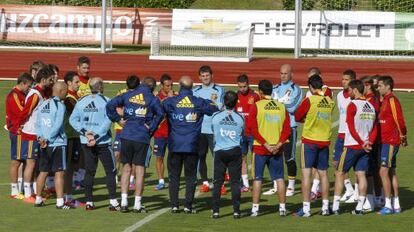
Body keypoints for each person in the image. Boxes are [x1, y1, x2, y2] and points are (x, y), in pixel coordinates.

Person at [106, 76, 164, 213]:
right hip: (142, 137)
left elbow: (109, 105)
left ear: (141, 84)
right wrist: (151, 127)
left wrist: (118, 120)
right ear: (153, 88)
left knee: (126, 168)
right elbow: (161, 114)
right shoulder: (153, 99)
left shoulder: (128, 94)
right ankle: (137, 204)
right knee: (140, 170)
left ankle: (124, 202)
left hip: (126, 135)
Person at [163, 76, 219, 214]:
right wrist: (209, 101)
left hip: (175, 145)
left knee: (174, 176)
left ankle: (175, 205)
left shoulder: (171, 102)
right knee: (190, 176)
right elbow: (214, 108)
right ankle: (188, 205)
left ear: (179, 86)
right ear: (192, 86)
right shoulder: (198, 102)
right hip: (192, 145)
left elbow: (159, 108)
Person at [69, 77, 120, 211]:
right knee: (110, 171)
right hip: (102, 142)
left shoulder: (81, 101)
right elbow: (108, 121)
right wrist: (95, 137)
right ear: (101, 86)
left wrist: (86, 133)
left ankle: (89, 202)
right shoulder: (107, 101)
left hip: (86, 142)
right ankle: (113, 202)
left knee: (90, 171)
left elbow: (73, 120)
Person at [331, 79, 377, 215]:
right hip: (365, 148)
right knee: (361, 174)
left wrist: (361, 141)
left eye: (350, 90)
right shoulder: (370, 106)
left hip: (352, 146)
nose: (348, 92)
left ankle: (335, 207)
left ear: (355, 90)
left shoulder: (352, 105)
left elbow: (350, 128)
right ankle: (359, 208)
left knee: (339, 173)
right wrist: (369, 142)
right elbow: (374, 129)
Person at [248, 80, 291, 217]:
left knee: (258, 178)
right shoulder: (281, 107)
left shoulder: (256, 106)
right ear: (272, 91)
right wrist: (278, 144)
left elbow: (252, 129)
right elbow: (287, 129)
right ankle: (282, 208)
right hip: (277, 150)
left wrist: (265, 144)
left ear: (260, 92)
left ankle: (255, 209)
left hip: (260, 148)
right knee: (279, 178)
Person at [294, 75, 335, 217]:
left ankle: (306, 209)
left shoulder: (310, 100)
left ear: (311, 87)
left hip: (310, 141)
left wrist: (308, 118)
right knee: (323, 174)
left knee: (306, 175)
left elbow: (297, 116)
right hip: (324, 141)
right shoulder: (330, 101)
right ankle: (325, 207)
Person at [264, 64, 302, 197]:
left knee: (289, 157)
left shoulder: (296, 89)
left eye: (285, 73)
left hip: (289, 128)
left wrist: (277, 103)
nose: (283, 76)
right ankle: (276, 185)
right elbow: (267, 105)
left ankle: (291, 187)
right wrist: (282, 103)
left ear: (291, 74)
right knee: (273, 156)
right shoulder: (274, 88)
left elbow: (292, 108)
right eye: (281, 73)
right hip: (274, 128)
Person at [19, 66, 55, 202]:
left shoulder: (42, 92)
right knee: (31, 163)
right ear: (44, 79)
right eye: (51, 79)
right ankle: (28, 194)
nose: (52, 82)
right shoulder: (35, 94)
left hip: (38, 133)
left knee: (37, 163)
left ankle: (35, 191)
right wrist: (20, 126)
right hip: (30, 133)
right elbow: (26, 112)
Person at [34, 82, 71, 209]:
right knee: (59, 172)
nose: (67, 93)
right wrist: (49, 138)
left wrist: (40, 138)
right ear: (60, 91)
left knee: (43, 171)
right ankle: (60, 202)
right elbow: (58, 125)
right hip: (57, 143)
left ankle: (38, 199)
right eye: (66, 91)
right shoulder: (60, 106)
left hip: (44, 144)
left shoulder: (43, 104)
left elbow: (37, 125)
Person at [211, 91, 245, 219]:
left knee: (217, 182)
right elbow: (242, 133)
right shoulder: (240, 118)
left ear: (224, 102)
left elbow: (214, 132)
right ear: (236, 102)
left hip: (220, 151)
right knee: (235, 182)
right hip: (235, 151)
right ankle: (236, 211)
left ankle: (215, 211)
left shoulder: (216, 116)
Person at [377, 75, 407, 215]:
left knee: (383, 171)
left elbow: (399, 119)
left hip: (390, 141)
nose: (378, 88)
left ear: (388, 86)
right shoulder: (384, 100)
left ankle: (388, 205)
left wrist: (402, 135)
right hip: (386, 141)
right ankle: (397, 204)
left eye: (380, 86)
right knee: (391, 172)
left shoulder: (392, 100)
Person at [193, 65, 225, 193]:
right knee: (201, 156)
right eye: (203, 76)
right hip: (200, 129)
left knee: (217, 157)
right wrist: (209, 105)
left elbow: (220, 107)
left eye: (207, 75)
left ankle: (220, 183)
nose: (205, 78)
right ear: (199, 77)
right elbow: (194, 108)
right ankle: (205, 182)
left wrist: (210, 105)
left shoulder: (219, 90)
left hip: (214, 130)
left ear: (212, 75)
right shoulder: (195, 91)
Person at [305, 67, 333, 201]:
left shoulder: (327, 91)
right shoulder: (308, 93)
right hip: (321, 135)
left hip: (314, 136)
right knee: (320, 170)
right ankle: (322, 198)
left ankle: (312, 193)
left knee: (313, 170)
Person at [6, 73, 33, 199]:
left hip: (20, 131)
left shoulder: (21, 94)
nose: (29, 88)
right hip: (18, 132)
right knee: (16, 161)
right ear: (22, 83)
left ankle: (19, 189)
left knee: (21, 161)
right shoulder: (15, 95)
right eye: (28, 85)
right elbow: (22, 112)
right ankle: (14, 191)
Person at [334, 69, 358, 204]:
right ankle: (349, 189)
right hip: (341, 134)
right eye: (343, 79)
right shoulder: (338, 96)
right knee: (337, 164)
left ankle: (357, 192)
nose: (343, 82)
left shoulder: (355, 97)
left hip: (352, 136)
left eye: (346, 79)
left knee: (354, 166)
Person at [112, 75, 140, 189]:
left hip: (134, 129)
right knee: (117, 154)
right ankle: (114, 177)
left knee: (133, 157)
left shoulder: (140, 96)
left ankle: (131, 180)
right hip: (121, 128)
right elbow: (116, 108)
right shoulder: (121, 93)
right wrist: (125, 116)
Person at [62, 71, 84, 206]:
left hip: (75, 136)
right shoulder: (68, 99)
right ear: (69, 83)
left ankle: (68, 196)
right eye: (76, 82)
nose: (79, 84)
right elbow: (76, 117)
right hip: (70, 137)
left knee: (73, 167)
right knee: (68, 168)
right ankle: (67, 198)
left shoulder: (75, 96)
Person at [235, 74, 260, 193]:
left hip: (252, 133)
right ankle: (245, 184)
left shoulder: (255, 96)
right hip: (240, 133)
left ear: (248, 84)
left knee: (255, 157)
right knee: (242, 157)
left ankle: (256, 181)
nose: (242, 89)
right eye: (240, 87)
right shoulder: (235, 96)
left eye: (244, 86)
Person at [153, 74, 176, 191]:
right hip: (160, 133)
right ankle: (161, 181)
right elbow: (157, 110)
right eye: (167, 85)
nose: (170, 87)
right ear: (162, 86)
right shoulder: (156, 97)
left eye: (171, 85)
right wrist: (169, 99)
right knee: (159, 157)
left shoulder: (177, 96)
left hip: (173, 133)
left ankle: (172, 178)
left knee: (172, 157)